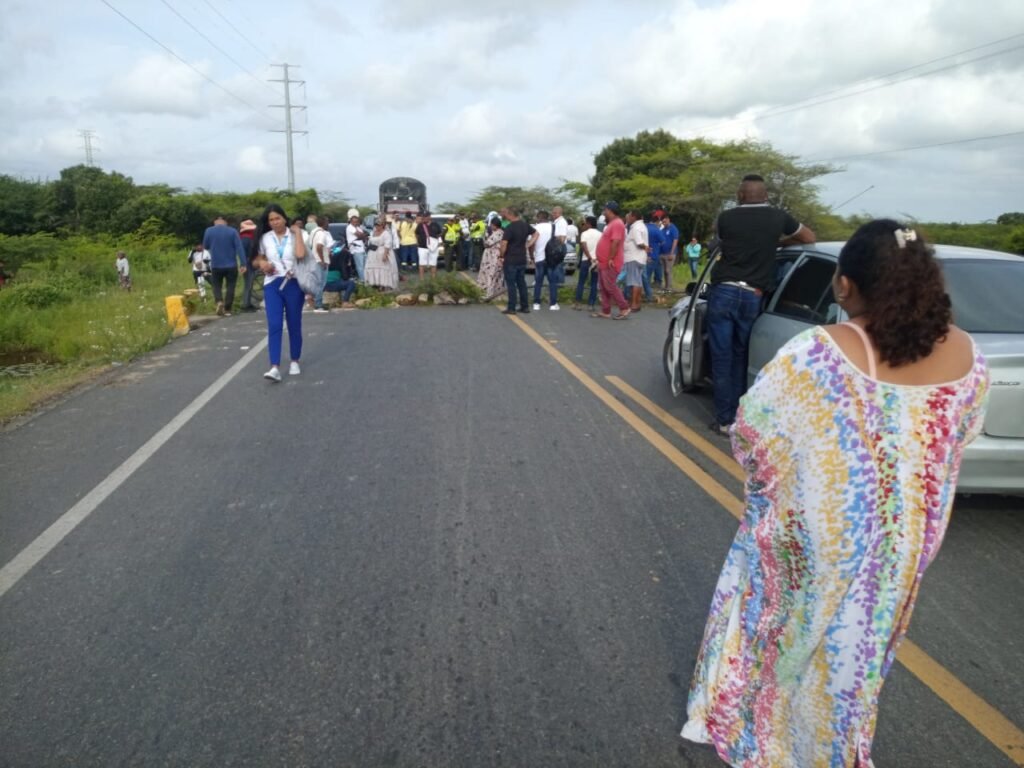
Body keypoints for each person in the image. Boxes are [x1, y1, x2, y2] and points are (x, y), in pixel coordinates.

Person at [682, 220, 990, 768]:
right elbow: (956, 439)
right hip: (906, 542)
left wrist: (778, 485)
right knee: (855, 654)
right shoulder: (970, 357)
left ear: (845, 285)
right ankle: (826, 746)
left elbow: (754, 430)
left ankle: (760, 734)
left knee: (779, 634)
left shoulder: (821, 351)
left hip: (819, 533)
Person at [707, 174, 816, 435]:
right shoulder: (779, 217)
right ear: (766, 195)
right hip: (753, 296)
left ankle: (725, 420)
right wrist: (777, 242)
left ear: (741, 195)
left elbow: (723, 241)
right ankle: (744, 417)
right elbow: (809, 238)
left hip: (724, 292)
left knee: (721, 357)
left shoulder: (726, 218)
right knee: (742, 356)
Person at [252, 204, 307, 382]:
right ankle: (274, 366)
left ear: (284, 218)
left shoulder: (296, 235)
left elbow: (300, 255)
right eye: (271, 220)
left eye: (277, 218)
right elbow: (256, 258)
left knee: (293, 323)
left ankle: (294, 360)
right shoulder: (265, 238)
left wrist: (297, 232)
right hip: (272, 284)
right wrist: (262, 264)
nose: (275, 222)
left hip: (293, 283)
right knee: (274, 324)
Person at [202, 215, 247, 316]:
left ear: (215, 222)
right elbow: (239, 247)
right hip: (231, 265)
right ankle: (228, 309)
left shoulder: (209, 231)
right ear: (225, 222)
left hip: (216, 265)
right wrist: (243, 263)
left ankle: (219, 301)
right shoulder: (232, 231)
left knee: (216, 285)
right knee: (230, 286)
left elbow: (206, 245)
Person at [593, 202, 630, 320]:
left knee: (610, 286)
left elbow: (616, 242)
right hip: (603, 261)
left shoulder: (617, 224)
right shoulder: (612, 224)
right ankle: (606, 310)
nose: (604, 212)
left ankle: (624, 307)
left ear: (610, 211)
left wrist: (610, 258)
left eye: (605, 210)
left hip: (611, 261)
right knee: (603, 286)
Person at [499, 207, 534, 315]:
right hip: (521, 258)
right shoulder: (525, 225)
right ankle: (525, 306)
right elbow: (536, 234)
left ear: (510, 215)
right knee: (521, 283)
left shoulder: (509, 228)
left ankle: (512, 307)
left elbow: (504, 243)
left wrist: (501, 255)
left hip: (511, 259)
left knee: (511, 284)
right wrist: (529, 244)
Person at [527, 210, 559, 311]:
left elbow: (530, 245)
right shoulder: (553, 227)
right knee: (552, 282)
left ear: (538, 218)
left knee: (538, 281)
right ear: (547, 217)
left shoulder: (535, 228)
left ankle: (536, 303)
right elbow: (559, 242)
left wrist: (532, 257)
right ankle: (553, 304)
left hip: (539, 258)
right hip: (551, 259)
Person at [623, 209, 648, 312]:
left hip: (634, 257)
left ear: (633, 216)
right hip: (640, 257)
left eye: (628, 216)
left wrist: (645, 247)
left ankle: (634, 304)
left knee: (634, 282)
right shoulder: (641, 226)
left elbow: (639, 242)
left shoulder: (636, 228)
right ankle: (637, 303)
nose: (627, 218)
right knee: (638, 281)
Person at [573, 215, 601, 311]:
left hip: (586, 260)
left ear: (589, 224)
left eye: (585, 223)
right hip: (596, 261)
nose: (584, 225)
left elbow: (583, 246)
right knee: (594, 283)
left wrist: (589, 257)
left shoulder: (584, 233)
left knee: (581, 282)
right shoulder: (600, 234)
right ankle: (591, 305)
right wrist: (595, 258)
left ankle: (578, 303)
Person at [476, 216, 506, 301]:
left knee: (491, 274)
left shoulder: (498, 233)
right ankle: (496, 294)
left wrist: (484, 237)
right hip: (492, 256)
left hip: (493, 256)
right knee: (495, 275)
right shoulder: (499, 232)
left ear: (495, 225)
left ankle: (489, 294)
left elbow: (487, 244)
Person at [307, 216, 333, 313]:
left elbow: (310, 245)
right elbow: (319, 247)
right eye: (327, 222)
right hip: (320, 261)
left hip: (313, 259)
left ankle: (316, 302)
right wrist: (322, 260)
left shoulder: (314, 232)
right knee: (321, 283)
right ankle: (318, 305)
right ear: (324, 223)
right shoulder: (322, 234)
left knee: (317, 282)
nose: (328, 224)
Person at [365, 218, 399, 291]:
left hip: (382, 252)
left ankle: (384, 285)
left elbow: (387, 244)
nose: (377, 227)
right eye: (376, 225)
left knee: (383, 269)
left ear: (382, 225)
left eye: (379, 225)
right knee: (373, 268)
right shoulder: (373, 232)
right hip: (373, 253)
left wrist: (385, 255)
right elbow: (370, 241)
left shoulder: (386, 233)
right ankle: (375, 283)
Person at [238, 219, 260, 310]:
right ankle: (246, 304)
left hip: (246, 262)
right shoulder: (246, 238)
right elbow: (245, 252)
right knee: (248, 284)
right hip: (248, 263)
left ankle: (247, 303)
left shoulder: (243, 237)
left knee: (249, 284)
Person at [644, 212, 665, 303]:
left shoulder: (643, 228)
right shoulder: (656, 230)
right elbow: (663, 241)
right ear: (656, 221)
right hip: (653, 255)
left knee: (642, 276)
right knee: (647, 276)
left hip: (642, 255)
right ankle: (649, 296)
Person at [346, 209, 369, 282]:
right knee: (360, 266)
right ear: (351, 221)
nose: (356, 222)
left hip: (362, 248)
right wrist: (362, 235)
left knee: (365, 265)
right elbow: (361, 235)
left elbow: (364, 235)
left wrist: (363, 235)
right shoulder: (350, 227)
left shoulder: (358, 227)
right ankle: (363, 281)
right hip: (356, 249)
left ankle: (366, 280)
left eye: (357, 221)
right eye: (355, 221)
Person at [660, 213, 680, 291]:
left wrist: (672, 253)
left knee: (668, 270)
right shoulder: (662, 230)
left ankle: (669, 287)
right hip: (662, 253)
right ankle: (666, 286)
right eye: (662, 222)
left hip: (670, 253)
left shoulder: (673, 228)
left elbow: (675, 240)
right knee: (664, 271)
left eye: (664, 222)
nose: (663, 223)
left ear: (668, 219)